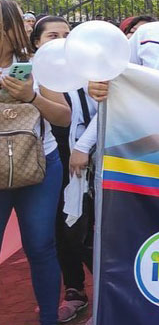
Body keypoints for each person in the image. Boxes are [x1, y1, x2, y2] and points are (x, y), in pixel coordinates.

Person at [0, 1, 72, 325]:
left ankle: (48, 318)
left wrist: (30, 95)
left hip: (41, 164)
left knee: (41, 245)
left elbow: (64, 116)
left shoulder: (37, 64)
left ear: (10, 27)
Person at [30, 16, 97, 323]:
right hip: (49, 158)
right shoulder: (29, 76)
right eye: (51, 36)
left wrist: (85, 147)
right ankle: (74, 290)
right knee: (61, 227)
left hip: (90, 155)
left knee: (83, 228)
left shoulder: (91, 71)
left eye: (66, 35)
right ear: (36, 44)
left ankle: (115, 283)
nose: (60, 41)